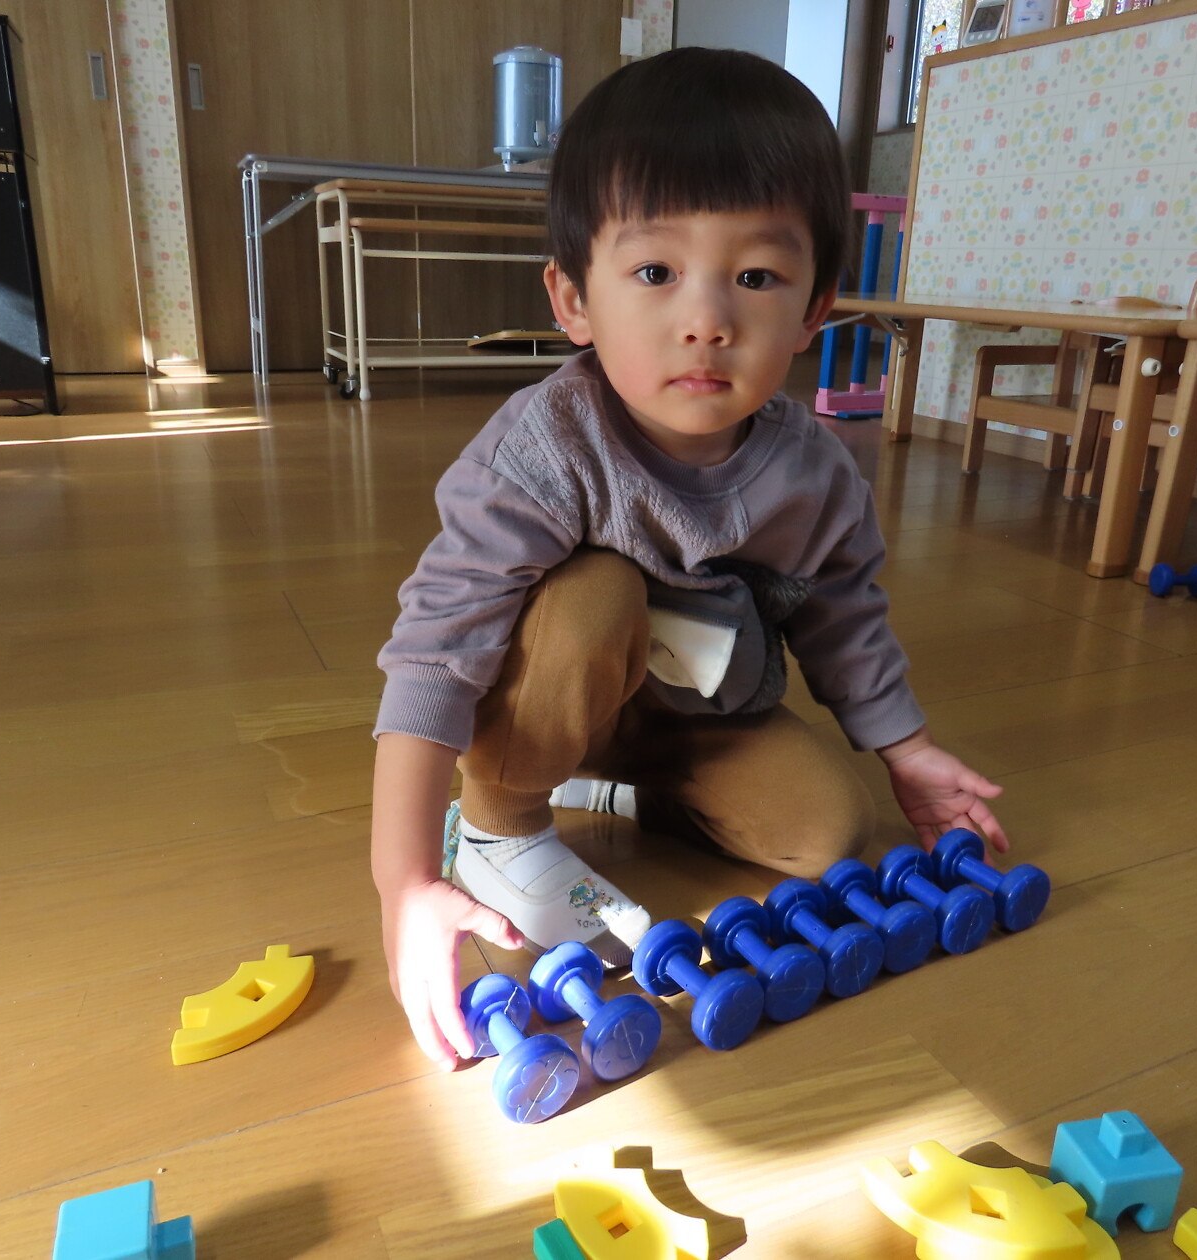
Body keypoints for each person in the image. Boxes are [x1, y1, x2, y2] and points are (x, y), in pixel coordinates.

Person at [371, 46, 1007, 1071]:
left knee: (827, 831)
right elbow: (437, 653)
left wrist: (909, 751)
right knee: (595, 593)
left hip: (693, 719)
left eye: (755, 277)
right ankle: (498, 825)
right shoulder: (543, 449)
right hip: (553, 697)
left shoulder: (814, 474)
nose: (706, 320)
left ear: (813, 308)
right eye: (656, 272)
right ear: (574, 300)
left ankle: (624, 792)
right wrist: (404, 883)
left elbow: (844, 616)